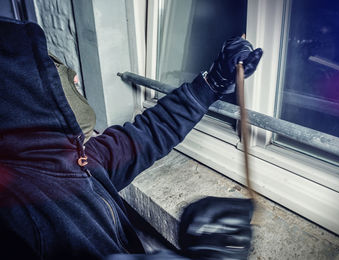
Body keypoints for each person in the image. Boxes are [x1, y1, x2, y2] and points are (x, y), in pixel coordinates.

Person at [0, 17, 262, 259]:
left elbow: (147, 133)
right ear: (19, 96)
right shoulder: (15, 215)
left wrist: (212, 83)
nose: (75, 78)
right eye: (49, 71)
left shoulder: (74, 161)